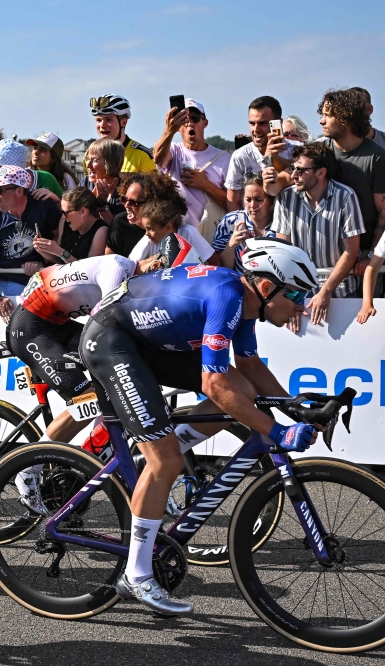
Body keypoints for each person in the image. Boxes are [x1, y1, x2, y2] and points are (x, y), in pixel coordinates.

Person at [81, 239, 319, 616]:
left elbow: (251, 370)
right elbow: (212, 384)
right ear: (268, 287)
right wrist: (276, 432)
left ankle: (162, 456)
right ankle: (137, 575)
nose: (302, 305)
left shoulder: (245, 303)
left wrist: (299, 411)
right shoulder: (228, 297)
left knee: (241, 389)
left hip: (148, 341)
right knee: (166, 460)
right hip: (112, 339)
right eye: (298, 294)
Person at [6, 254, 137, 505]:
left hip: (59, 325)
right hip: (31, 328)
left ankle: (98, 443)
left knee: (115, 373)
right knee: (85, 402)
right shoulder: (119, 269)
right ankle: (27, 469)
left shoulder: (136, 272)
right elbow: (109, 321)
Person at [270, 143, 364, 328]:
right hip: (300, 295)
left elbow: (351, 251)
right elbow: (284, 252)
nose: (294, 175)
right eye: (293, 169)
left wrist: (326, 291)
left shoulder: (345, 196)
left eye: (301, 170)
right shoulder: (286, 198)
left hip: (342, 294)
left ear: (321, 173)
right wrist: (290, 298)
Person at [315, 88, 385, 254]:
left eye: (328, 115)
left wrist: (372, 255)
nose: (321, 121)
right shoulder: (318, 153)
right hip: (325, 251)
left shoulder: (378, 158)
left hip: (364, 253)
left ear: (346, 118)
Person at [0, 166, 62, 321]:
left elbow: (59, 239)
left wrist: (42, 261)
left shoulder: (44, 207)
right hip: (1, 285)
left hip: (37, 284)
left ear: (19, 191)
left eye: (0, 190)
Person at [154, 98, 230, 232]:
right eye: (184, 120)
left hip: (210, 236)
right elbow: (158, 160)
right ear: (178, 127)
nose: (190, 124)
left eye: (195, 118)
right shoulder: (173, 150)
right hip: (178, 235)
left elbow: (232, 204)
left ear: (204, 123)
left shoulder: (224, 159)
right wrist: (168, 130)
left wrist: (205, 184)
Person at [224, 96, 296, 211]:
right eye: (252, 123)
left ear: (278, 123)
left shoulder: (297, 151)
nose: (256, 130)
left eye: (262, 123)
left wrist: (274, 159)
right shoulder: (240, 156)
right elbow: (233, 201)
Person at [127, 197, 217, 272]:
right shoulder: (149, 240)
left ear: (168, 227)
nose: (146, 234)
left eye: (150, 229)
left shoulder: (189, 233)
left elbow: (216, 263)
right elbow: (128, 267)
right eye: (146, 228)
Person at [212, 172, 277, 271]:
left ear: (271, 200)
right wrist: (231, 245)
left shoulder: (280, 225)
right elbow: (220, 268)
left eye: (259, 199)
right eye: (248, 199)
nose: (252, 205)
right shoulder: (231, 221)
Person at [36, 187, 108, 263]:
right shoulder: (64, 223)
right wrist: (44, 249)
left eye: (66, 212)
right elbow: (59, 261)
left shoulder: (101, 231)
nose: (63, 216)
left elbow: (89, 270)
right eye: (62, 212)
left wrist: (60, 252)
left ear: (83, 211)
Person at [89, 94, 157, 173]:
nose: (102, 125)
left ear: (123, 122)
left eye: (108, 120)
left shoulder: (144, 155)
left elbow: (153, 185)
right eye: (98, 120)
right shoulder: (90, 154)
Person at [78, 139, 125, 227]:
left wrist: (102, 205)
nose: (88, 165)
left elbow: (118, 229)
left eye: (95, 160)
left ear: (110, 163)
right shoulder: (85, 182)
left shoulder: (126, 189)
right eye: (88, 159)